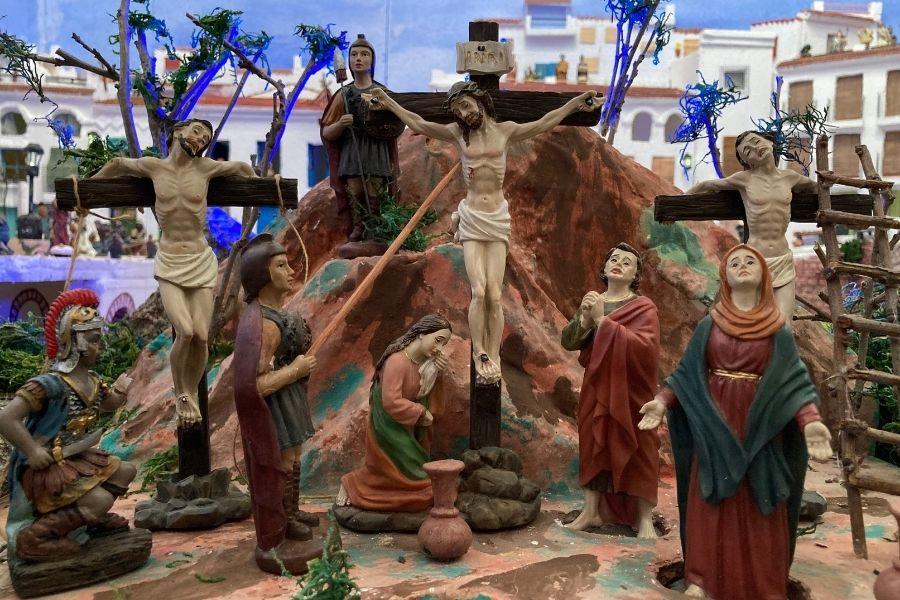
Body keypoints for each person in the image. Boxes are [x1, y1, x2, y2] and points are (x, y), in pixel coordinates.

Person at [638, 244, 833, 600]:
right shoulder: (709, 326)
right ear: (724, 277)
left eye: (750, 262)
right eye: (735, 263)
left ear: (764, 275)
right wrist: (661, 402)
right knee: (708, 503)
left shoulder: (777, 330)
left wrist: (811, 423)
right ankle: (701, 578)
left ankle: (767, 584)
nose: (742, 265)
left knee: (761, 501)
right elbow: (686, 375)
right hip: (714, 428)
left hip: (760, 430)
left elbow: (794, 383)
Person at [369, 81, 598, 382]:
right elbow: (419, 122)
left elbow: (545, 122)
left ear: (479, 101)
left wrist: (575, 104)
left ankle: (495, 353)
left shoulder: (506, 131)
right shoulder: (457, 135)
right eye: (457, 110)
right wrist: (388, 101)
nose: (463, 113)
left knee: (494, 294)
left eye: (466, 105)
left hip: (498, 216)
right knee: (479, 292)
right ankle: (481, 352)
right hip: (473, 216)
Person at [93, 118, 257, 426]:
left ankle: (191, 394)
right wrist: (88, 191)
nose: (200, 139)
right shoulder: (154, 168)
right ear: (179, 132)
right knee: (185, 331)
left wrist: (263, 180)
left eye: (206, 137)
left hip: (199, 257)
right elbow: (117, 164)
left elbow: (240, 169)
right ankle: (181, 392)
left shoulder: (206, 169)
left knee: (202, 336)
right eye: (196, 131)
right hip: (169, 259)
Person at [0, 289, 135, 562]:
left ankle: (87, 521)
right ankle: (35, 538)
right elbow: (6, 417)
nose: (101, 347)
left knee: (127, 471)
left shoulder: (93, 381)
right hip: (47, 466)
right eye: (94, 341)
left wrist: (123, 390)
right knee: (99, 500)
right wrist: (32, 450)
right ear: (75, 343)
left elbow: (111, 403)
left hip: (76, 456)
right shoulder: (49, 385)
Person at [233, 234, 320, 575]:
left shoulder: (278, 315)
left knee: (295, 456)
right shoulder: (265, 325)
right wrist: (295, 369)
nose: (291, 270)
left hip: (290, 399)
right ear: (263, 275)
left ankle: (292, 513)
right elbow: (253, 385)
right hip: (276, 405)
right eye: (281, 265)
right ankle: (278, 524)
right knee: (283, 460)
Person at [561, 243, 660, 538]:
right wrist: (585, 318)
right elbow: (569, 341)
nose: (618, 264)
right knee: (594, 444)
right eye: (613, 259)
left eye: (626, 262)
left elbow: (647, 349)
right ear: (604, 269)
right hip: (597, 385)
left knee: (640, 448)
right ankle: (591, 511)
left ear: (635, 275)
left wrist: (604, 322)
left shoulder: (644, 307)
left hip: (632, 390)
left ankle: (643, 519)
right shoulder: (593, 300)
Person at [686, 131, 817, 326]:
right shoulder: (744, 179)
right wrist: (677, 202)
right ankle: (707, 350)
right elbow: (708, 185)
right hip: (753, 260)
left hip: (782, 260)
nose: (756, 149)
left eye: (756, 142)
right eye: (748, 151)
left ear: (770, 143)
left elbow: (817, 188)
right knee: (728, 319)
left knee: (784, 327)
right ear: (748, 162)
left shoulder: (790, 178)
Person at [337, 315, 452, 512]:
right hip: (388, 426)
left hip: (410, 426)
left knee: (417, 474)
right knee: (412, 473)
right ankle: (351, 483)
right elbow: (390, 402)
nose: (439, 348)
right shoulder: (397, 361)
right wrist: (420, 412)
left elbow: (429, 398)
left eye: (444, 344)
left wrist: (437, 373)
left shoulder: (425, 363)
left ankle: (401, 490)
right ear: (422, 334)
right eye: (438, 340)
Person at [320, 34, 401, 242]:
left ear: (372, 61)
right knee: (355, 191)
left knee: (375, 191)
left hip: (376, 150)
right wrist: (340, 124)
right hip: (352, 152)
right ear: (348, 61)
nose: (359, 58)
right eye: (354, 54)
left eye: (364, 54)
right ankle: (358, 228)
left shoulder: (381, 92)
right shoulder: (344, 95)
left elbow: (397, 122)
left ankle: (375, 228)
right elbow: (327, 132)